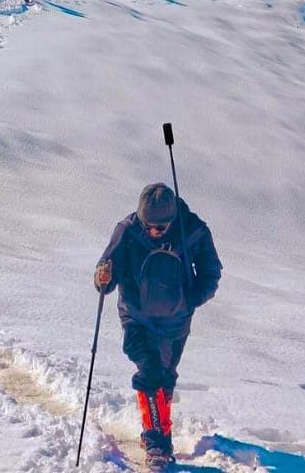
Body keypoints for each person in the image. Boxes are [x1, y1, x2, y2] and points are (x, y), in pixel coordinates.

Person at [93, 183, 222, 466]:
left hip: (176, 321)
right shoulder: (127, 231)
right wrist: (103, 278)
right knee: (150, 371)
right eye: (148, 225)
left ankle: (156, 430)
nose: (153, 232)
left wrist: (190, 299)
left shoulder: (193, 230)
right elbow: (108, 267)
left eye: (160, 228)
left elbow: (211, 271)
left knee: (165, 377)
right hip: (136, 316)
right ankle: (157, 446)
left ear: (172, 221)